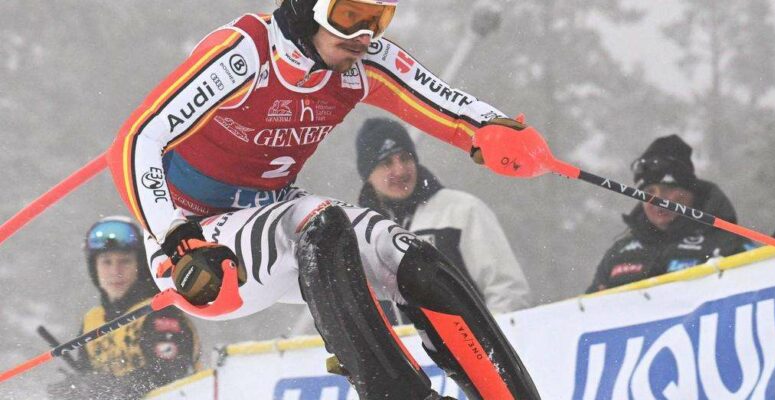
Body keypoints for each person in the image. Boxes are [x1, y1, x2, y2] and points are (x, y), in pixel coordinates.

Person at [105, 0, 541, 398]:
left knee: (409, 257)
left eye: (377, 20)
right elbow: (138, 140)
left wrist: (493, 129)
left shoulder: (361, 61)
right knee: (320, 223)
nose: (363, 37)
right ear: (306, 9)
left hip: (273, 214)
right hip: (199, 249)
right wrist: (175, 235)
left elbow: (445, 103)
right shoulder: (246, 53)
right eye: (349, 16)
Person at [355, 118, 531, 322]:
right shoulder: (357, 235)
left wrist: (488, 347)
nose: (400, 170)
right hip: (400, 354)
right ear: (367, 175)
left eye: (405, 158)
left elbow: (507, 292)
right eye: (386, 163)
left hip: (469, 351)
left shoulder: (462, 211)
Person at [47, 217, 199, 400]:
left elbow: (169, 375)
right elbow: (88, 378)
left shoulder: (160, 312)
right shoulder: (92, 321)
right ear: (93, 268)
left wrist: (106, 387)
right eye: (106, 262)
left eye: (125, 261)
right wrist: (76, 388)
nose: (115, 271)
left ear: (140, 266)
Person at [586, 135, 752, 294]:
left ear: (689, 191)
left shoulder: (727, 243)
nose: (657, 199)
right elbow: (588, 312)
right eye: (649, 191)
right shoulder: (619, 253)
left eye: (668, 189)